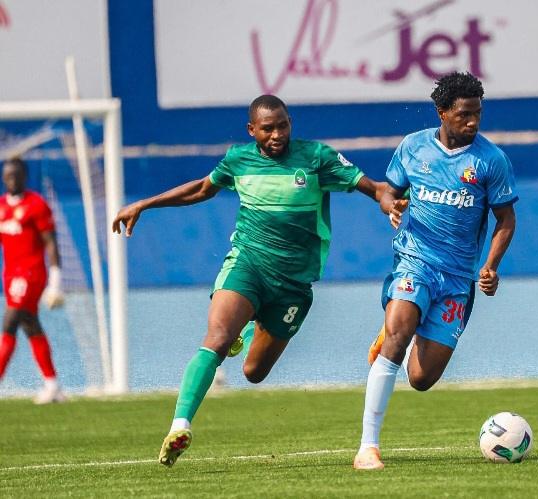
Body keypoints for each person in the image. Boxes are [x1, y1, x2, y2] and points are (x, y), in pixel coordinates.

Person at [112, 94, 388, 467]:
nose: (277, 134)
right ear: (252, 130)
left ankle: (250, 324)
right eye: (268, 128)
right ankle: (180, 424)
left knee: (254, 372)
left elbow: (371, 187)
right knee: (217, 338)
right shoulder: (238, 159)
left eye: (283, 125)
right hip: (248, 265)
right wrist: (144, 204)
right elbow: (201, 189)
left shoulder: (317, 157)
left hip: (293, 284)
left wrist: (390, 202)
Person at [353, 72, 518, 470]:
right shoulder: (413, 148)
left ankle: (400, 331)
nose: (473, 122)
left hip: (458, 279)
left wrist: (490, 266)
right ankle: (367, 448)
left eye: (478, 114)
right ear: (442, 112)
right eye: (464, 115)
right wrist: (390, 205)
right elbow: (389, 189)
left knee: (421, 379)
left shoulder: (490, 160)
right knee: (397, 336)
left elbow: (506, 220)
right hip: (415, 260)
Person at [0, 157, 66, 404]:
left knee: (10, 321)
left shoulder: (36, 205)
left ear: (24, 177)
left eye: (16, 175)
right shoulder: (2, 206)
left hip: (31, 274)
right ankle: (52, 385)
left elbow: (50, 242)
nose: (12, 179)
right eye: (8, 176)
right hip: (10, 276)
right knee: (30, 325)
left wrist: (56, 279)